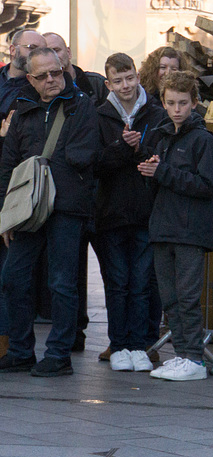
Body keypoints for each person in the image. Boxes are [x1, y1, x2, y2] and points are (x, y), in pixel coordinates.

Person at [0, 47, 99, 377]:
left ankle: (59, 355)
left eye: (56, 72)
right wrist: (6, 214)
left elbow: (83, 155)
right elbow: (8, 163)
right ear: (31, 79)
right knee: (14, 278)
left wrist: (42, 172)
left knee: (61, 283)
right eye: (43, 76)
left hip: (67, 208)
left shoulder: (81, 104)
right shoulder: (23, 107)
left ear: (63, 68)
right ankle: (20, 350)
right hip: (28, 209)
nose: (52, 80)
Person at [137, 71, 213, 381]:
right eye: (171, 103)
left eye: (183, 103)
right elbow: (160, 182)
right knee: (170, 300)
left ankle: (194, 359)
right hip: (163, 227)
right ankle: (183, 355)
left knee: (187, 298)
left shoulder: (203, 140)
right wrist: (149, 172)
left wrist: (161, 173)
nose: (177, 109)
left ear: (194, 103)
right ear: (163, 102)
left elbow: (206, 185)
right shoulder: (161, 136)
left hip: (189, 230)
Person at [95, 53, 166, 373]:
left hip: (145, 211)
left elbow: (162, 154)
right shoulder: (99, 115)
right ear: (108, 83)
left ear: (138, 77)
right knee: (117, 282)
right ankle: (119, 344)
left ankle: (139, 345)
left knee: (141, 283)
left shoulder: (157, 113)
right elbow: (93, 163)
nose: (125, 86)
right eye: (118, 81)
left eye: (130, 78)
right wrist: (123, 148)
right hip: (110, 213)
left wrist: (141, 151)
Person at [44, 32, 109, 353]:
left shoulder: (91, 88)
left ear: (66, 53)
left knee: (80, 272)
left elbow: (84, 150)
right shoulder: (34, 98)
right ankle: (65, 336)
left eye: (57, 51)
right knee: (60, 274)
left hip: (88, 197)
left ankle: (77, 337)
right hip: (51, 200)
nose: (53, 61)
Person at [0, 30, 47, 359]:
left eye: (40, 48)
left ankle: (9, 342)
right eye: (31, 46)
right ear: (12, 48)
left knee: (11, 272)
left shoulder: (32, 90)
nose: (35, 51)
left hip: (13, 189)